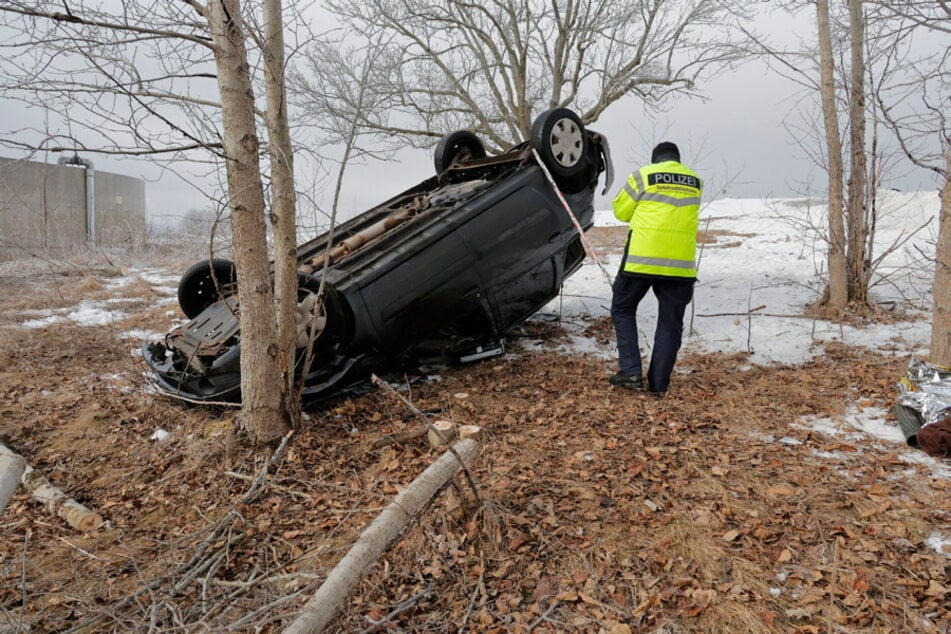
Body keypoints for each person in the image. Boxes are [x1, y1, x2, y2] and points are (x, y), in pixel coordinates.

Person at [609, 141, 702, 394]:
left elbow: (620, 211)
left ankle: (630, 373)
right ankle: (659, 385)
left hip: (641, 260)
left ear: (655, 159)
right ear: (677, 159)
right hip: (679, 267)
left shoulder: (643, 176)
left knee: (622, 307)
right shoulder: (696, 181)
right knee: (671, 323)